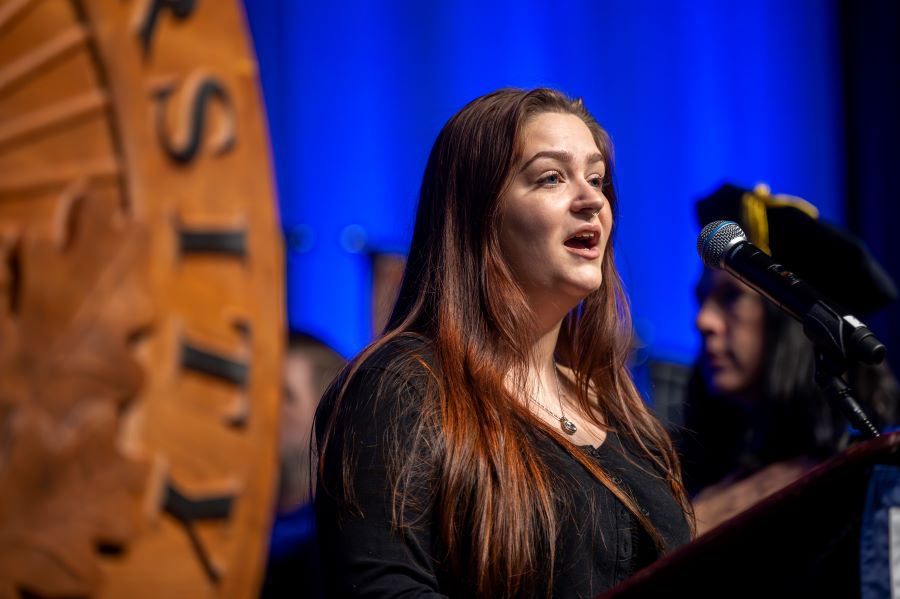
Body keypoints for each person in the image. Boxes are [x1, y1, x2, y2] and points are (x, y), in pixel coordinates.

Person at [314, 88, 693, 598]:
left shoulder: (616, 404)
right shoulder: (402, 387)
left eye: (597, 179)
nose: (592, 201)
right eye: (552, 178)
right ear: (479, 216)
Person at [680, 183, 900, 533]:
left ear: (794, 323)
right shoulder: (695, 472)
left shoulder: (862, 471)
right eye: (703, 298)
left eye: (731, 297)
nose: (703, 320)